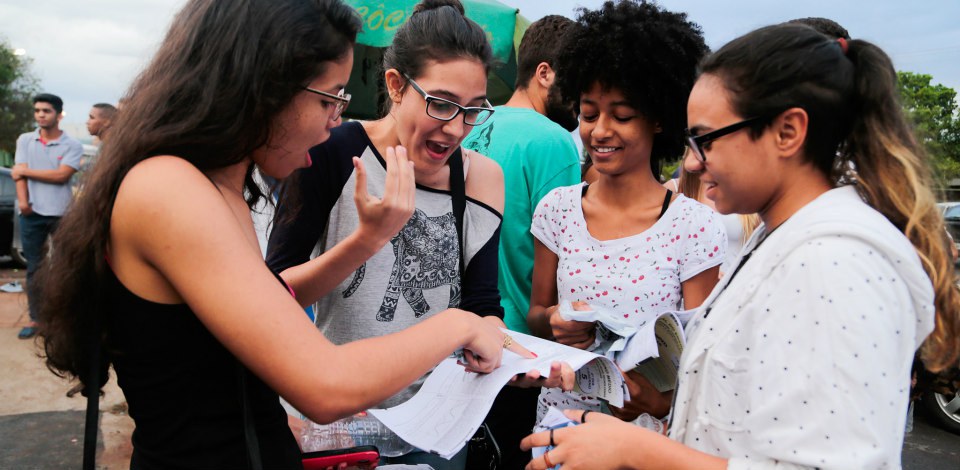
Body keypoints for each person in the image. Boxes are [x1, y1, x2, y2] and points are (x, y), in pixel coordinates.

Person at [37, 1, 524, 468]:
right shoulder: (168, 189)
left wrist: (366, 241)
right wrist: (459, 324)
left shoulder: (212, 187)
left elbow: (266, 311)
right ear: (264, 89)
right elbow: (325, 386)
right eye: (330, 99)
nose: (337, 121)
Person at [520, 22, 960, 469]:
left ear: (788, 132)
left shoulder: (833, 263)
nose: (691, 161)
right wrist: (660, 403)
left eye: (707, 139)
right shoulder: (782, 241)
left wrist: (637, 450)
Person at [266, 1, 567, 467]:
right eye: (442, 103)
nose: (455, 128)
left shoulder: (480, 176)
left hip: (438, 425)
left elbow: (483, 307)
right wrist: (366, 240)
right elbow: (273, 295)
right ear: (395, 86)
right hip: (339, 421)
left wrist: (515, 359)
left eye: (472, 110)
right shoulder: (334, 151)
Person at [526, 0, 722, 424]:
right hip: (561, 430)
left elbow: (701, 359)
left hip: (644, 439)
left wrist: (658, 402)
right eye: (589, 113)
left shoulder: (694, 226)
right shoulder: (557, 210)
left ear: (657, 119)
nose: (600, 131)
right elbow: (537, 314)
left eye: (623, 115)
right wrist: (555, 322)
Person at [458, 14, 581, 466]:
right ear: (543, 73)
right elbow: (572, 253)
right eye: (579, 83)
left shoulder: (468, 122)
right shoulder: (553, 140)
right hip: (523, 356)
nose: (586, 103)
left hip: (461, 341)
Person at [12, 93, 83, 339]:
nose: (41, 115)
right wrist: (24, 203)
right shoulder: (25, 140)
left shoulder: (72, 145)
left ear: (58, 115)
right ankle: (36, 319)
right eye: (38, 110)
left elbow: (61, 176)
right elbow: (17, 176)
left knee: (65, 267)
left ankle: (65, 319)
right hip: (31, 214)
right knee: (35, 268)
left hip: (63, 214)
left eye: (47, 111)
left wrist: (26, 170)